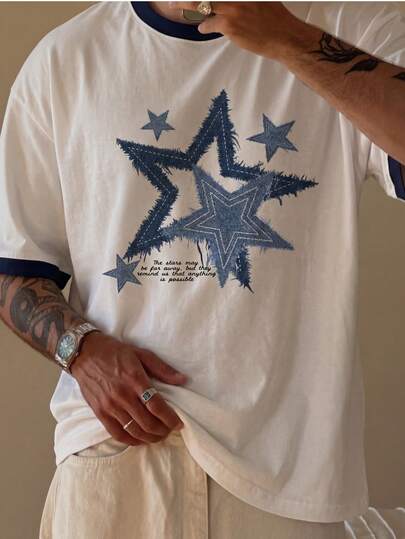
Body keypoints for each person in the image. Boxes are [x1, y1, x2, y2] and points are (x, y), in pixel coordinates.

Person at [0, 1, 404, 538]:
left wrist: (289, 39)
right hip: (114, 453)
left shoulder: (350, 22)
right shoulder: (65, 60)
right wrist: (82, 352)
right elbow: (15, 267)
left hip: (287, 479)